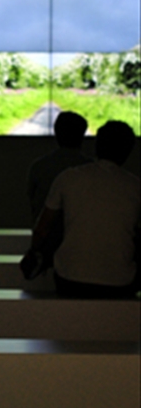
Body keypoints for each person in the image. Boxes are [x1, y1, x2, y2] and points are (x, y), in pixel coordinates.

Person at [30, 120, 140, 298]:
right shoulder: (135, 186)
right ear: (128, 151)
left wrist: (34, 252)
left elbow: (42, 229)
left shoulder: (68, 177)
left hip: (70, 278)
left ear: (96, 145)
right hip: (120, 281)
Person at [26, 111, 91, 224]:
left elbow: (32, 202)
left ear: (56, 134)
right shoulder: (94, 170)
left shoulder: (39, 167)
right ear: (82, 136)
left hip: (47, 236)